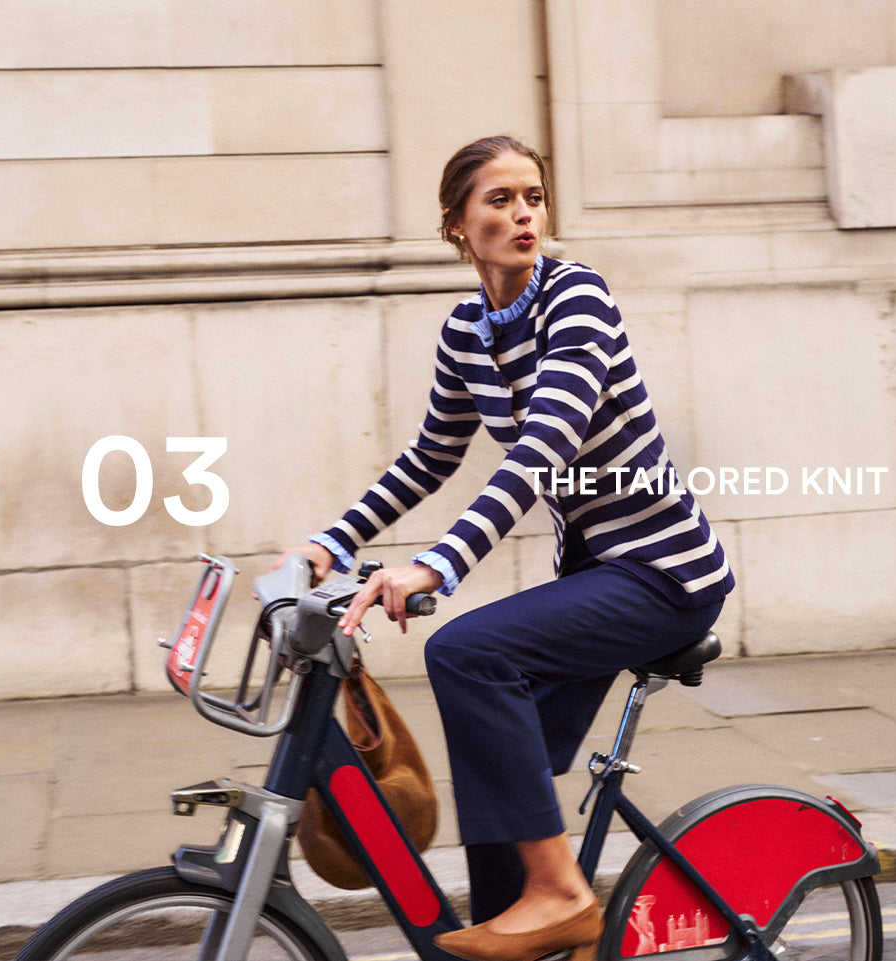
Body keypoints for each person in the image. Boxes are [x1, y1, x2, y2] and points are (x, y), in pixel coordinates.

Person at [291, 135, 734, 961]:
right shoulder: (468, 329)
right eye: (499, 200)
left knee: (465, 651)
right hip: (602, 574)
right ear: (457, 224)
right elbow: (431, 455)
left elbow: (542, 449)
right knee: (496, 751)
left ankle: (563, 894)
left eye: (531, 196)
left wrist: (435, 565)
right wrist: (330, 541)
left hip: (663, 572)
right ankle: (525, 924)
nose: (523, 213)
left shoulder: (578, 298)